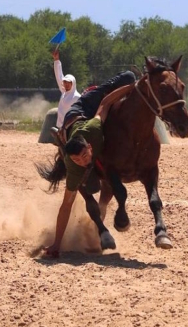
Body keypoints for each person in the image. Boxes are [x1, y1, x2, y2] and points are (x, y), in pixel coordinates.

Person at [44, 70, 136, 257]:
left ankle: (131, 81)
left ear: (90, 147)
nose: (83, 161)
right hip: (75, 120)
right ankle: (62, 137)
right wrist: (56, 245)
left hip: (84, 107)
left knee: (128, 77)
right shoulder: (73, 167)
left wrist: (132, 87)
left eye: (84, 156)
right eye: (78, 159)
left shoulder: (93, 129)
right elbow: (66, 206)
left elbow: (104, 102)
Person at [52, 49, 81, 129]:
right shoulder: (64, 92)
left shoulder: (77, 97)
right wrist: (56, 60)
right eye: (65, 82)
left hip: (70, 128)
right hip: (60, 127)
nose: (66, 85)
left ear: (73, 84)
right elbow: (59, 76)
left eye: (69, 83)